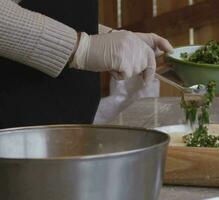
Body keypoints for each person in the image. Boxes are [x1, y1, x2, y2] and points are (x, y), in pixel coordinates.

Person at [0, 0, 173, 128]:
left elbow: (43, 7)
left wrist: (103, 37)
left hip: (61, 134)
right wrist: (81, 47)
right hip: (13, 136)